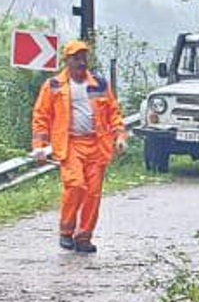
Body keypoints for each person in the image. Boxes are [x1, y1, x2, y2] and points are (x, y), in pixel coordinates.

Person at [30, 40, 127, 254]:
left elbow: (114, 113)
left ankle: (84, 237)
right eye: (76, 57)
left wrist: (120, 136)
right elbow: (41, 116)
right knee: (75, 185)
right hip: (70, 144)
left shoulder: (99, 84)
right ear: (67, 60)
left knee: (93, 193)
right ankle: (66, 231)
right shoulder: (54, 85)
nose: (81, 61)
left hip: (97, 145)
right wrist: (40, 145)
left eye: (84, 57)